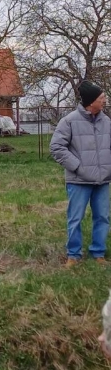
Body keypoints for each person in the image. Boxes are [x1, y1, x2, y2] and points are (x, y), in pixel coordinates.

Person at [50, 79, 111, 267]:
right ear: (91, 101)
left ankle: (98, 253)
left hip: (102, 181)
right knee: (75, 218)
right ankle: (73, 256)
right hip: (78, 181)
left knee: (102, 217)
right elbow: (57, 147)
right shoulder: (69, 121)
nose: (105, 100)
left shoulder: (107, 121)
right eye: (101, 97)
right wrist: (78, 167)